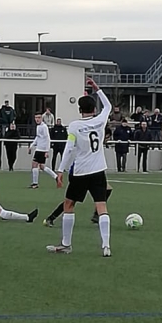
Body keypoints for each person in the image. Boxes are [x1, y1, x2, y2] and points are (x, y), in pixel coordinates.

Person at [46, 78, 113, 257]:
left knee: (69, 204)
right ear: (94, 109)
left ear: (79, 110)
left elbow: (69, 149)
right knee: (101, 206)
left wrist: (60, 170)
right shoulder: (100, 121)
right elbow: (108, 106)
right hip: (98, 171)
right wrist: (97, 89)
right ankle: (106, 246)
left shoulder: (75, 126)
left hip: (81, 172)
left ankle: (66, 244)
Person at [28, 112, 60, 187]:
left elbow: (47, 138)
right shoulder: (38, 127)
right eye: (36, 118)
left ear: (42, 118)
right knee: (41, 166)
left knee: (34, 164)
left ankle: (35, 183)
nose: (37, 119)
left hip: (41, 149)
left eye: (39, 117)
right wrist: (31, 145)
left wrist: (47, 151)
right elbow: (38, 137)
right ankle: (56, 177)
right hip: (39, 148)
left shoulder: (44, 127)